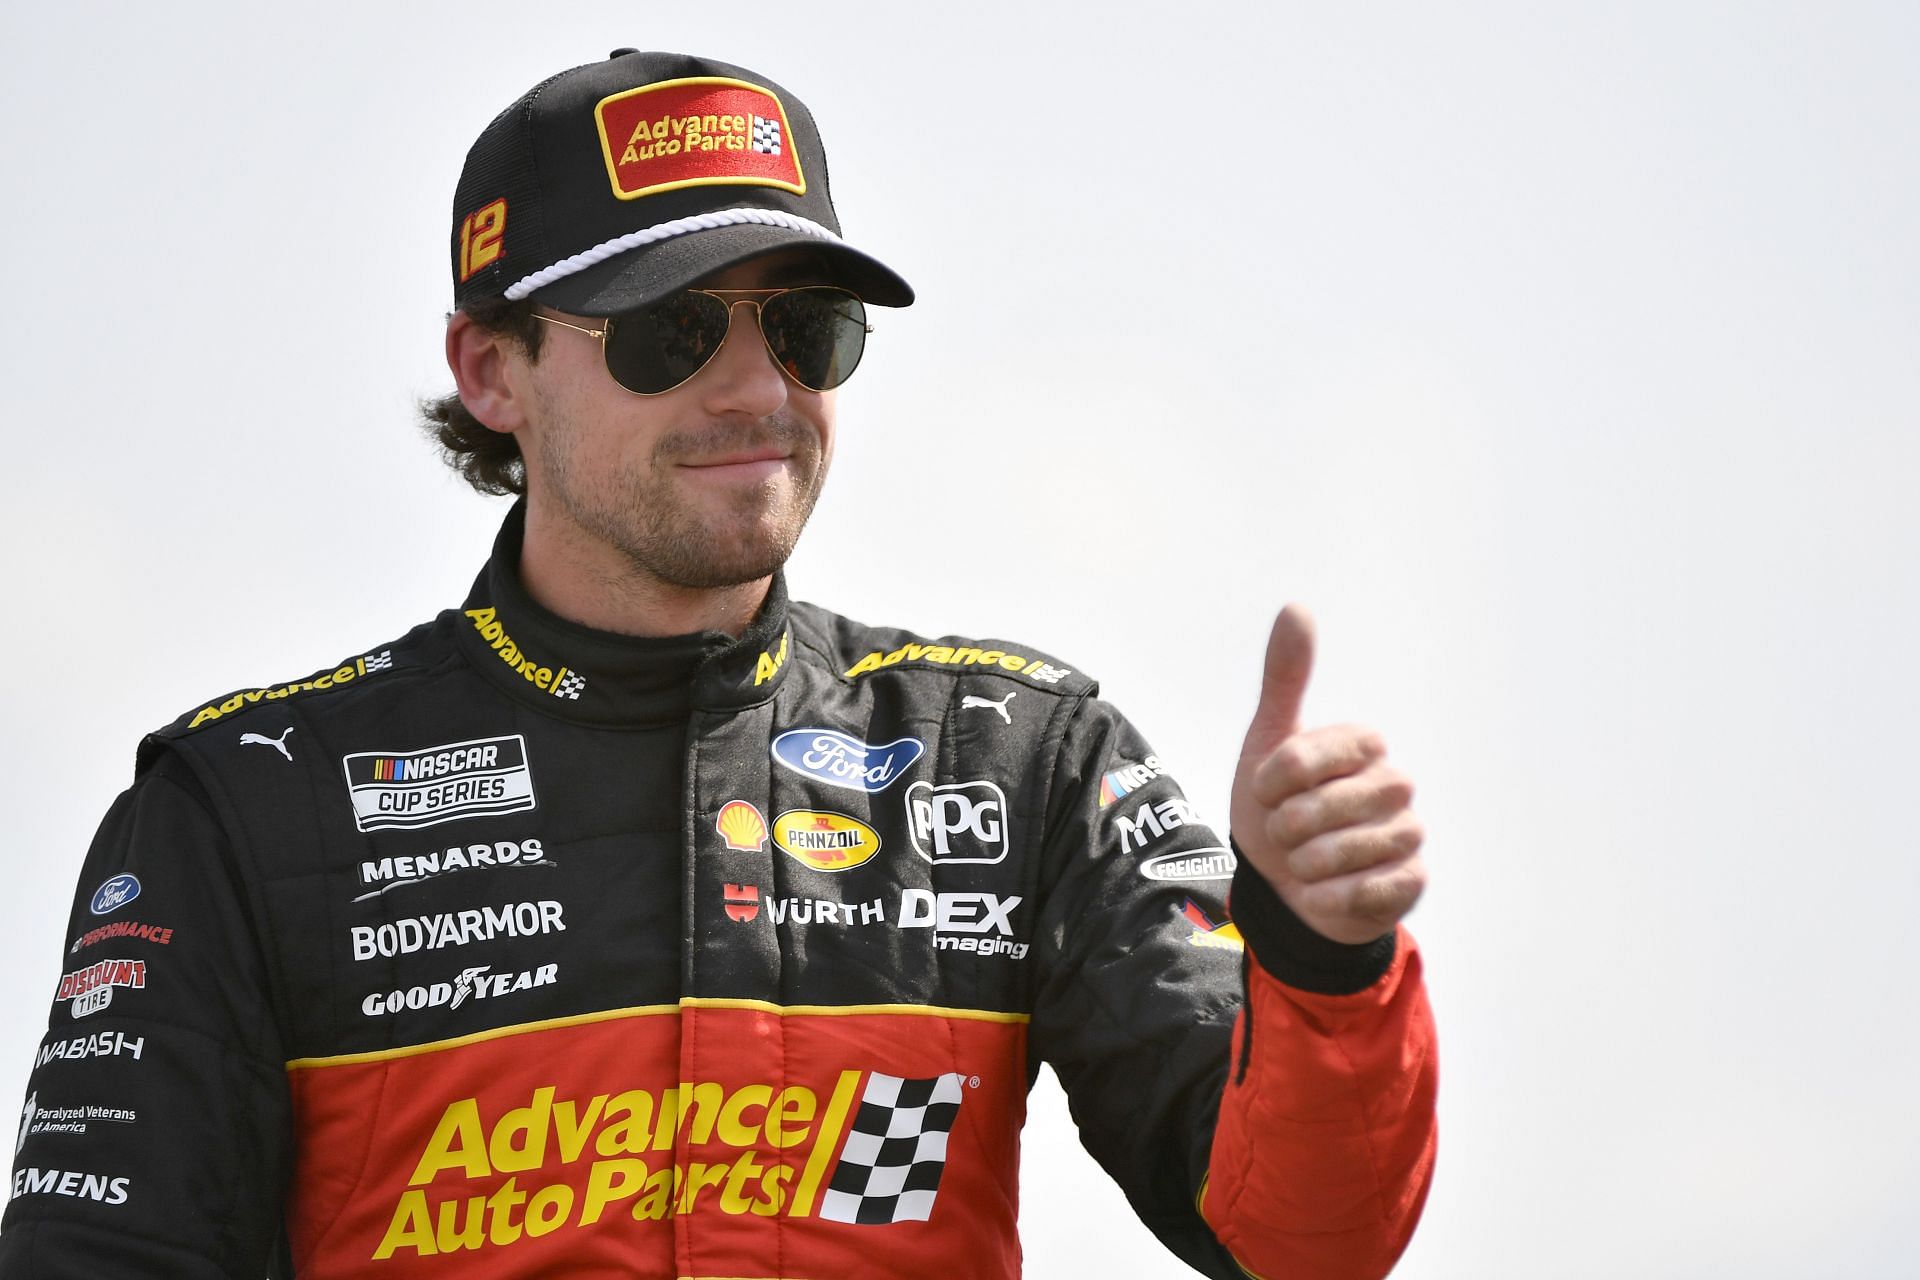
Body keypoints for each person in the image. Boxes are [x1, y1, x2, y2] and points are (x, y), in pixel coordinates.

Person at [1, 49, 1436, 1279]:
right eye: (669, 331)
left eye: (804, 327)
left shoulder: (1016, 755)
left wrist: (1319, 956)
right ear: (491, 370)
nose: (756, 389)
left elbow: (1304, 1240)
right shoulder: (247, 805)